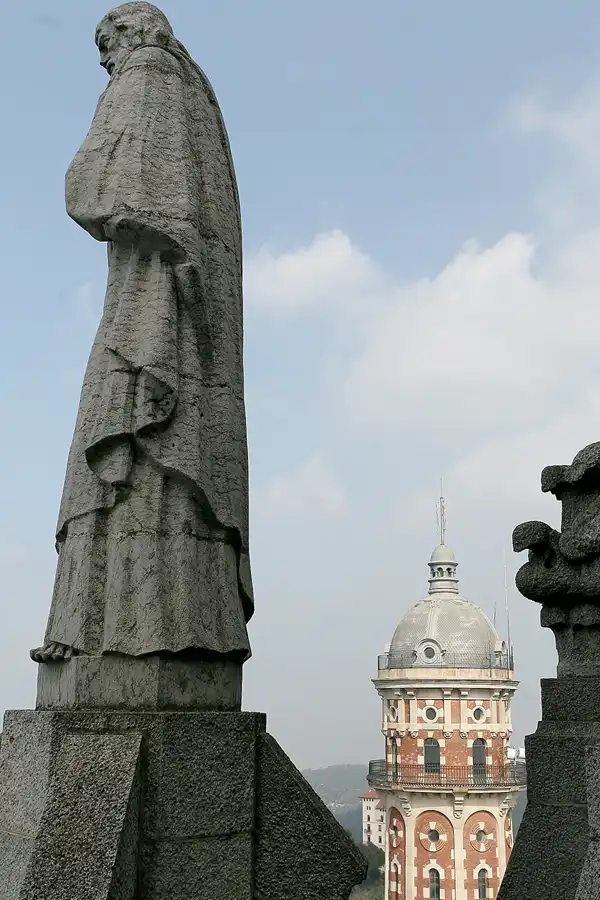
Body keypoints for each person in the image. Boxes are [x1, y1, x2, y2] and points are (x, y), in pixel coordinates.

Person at [31, 2, 253, 665]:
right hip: (173, 302)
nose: (104, 61)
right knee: (150, 450)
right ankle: (167, 628)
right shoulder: (196, 92)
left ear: (132, 33)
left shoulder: (149, 71)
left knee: (124, 438)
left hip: (151, 305)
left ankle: (109, 633)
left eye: (106, 44)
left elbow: (96, 184)